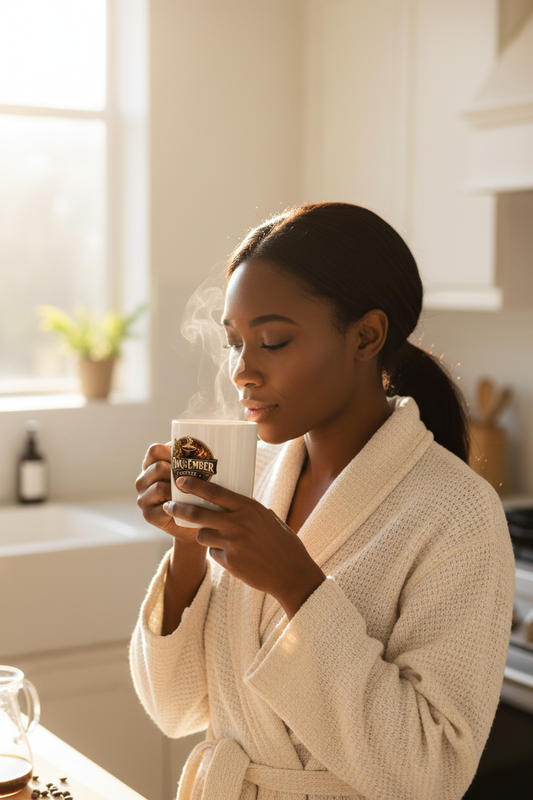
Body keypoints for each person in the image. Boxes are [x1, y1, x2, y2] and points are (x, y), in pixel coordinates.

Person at [130, 202, 515, 800]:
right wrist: (188, 550)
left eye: (273, 341)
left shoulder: (457, 513)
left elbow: (432, 775)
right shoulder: (253, 478)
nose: (240, 372)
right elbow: (175, 709)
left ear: (366, 336)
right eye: (235, 343)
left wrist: (296, 584)